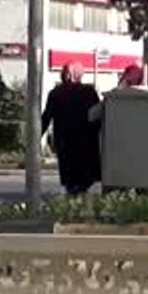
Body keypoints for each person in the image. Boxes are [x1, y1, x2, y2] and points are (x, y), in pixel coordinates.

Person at [41, 63, 102, 195]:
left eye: (65, 72)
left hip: (65, 142)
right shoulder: (89, 92)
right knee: (83, 178)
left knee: (69, 178)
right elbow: (98, 116)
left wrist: (36, 136)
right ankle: (78, 198)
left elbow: (46, 117)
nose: (63, 75)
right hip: (85, 142)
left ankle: (72, 197)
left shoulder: (56, 93)